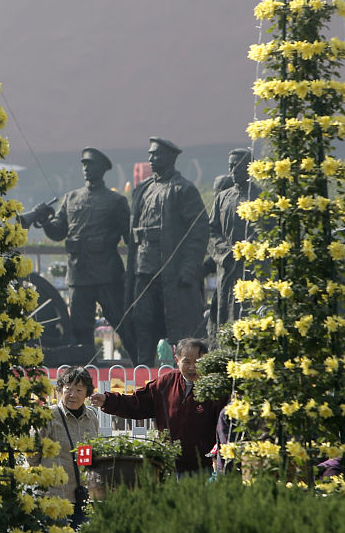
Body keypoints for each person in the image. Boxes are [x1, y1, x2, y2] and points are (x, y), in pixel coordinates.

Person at [33, 148, 131, 354]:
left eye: (91, 165)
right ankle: (84, 368)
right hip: (79, 274)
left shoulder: (116, 201)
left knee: (122, 321)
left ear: (103, 169)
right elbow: (58, 232)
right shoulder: (71, 198)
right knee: (79, 328)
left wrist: (133, 270)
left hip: (107, 274)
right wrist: (44, 221)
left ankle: (140, 364)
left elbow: (131, 239)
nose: (86, 168)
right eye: (84, 164)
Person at [126, 138, 209, 365]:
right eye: (150, 154)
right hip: (144, 269)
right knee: (142, 320)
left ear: (171, 158)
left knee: (176, 325)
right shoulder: (143, 189)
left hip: (170, 273)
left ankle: (182, 372)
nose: (151, 159)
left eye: (157, 155)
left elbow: (199, 231)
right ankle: (142, 368)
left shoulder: (183, 189)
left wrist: (190, 267)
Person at [90, 338, 225, 475]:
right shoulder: (166, 383)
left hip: (203, 467)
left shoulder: (214, 388)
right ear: (176, 360)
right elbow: (137, 403)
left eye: (198, 362)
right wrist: (108, 400)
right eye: (187, 362)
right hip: (169, 464)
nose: (192, 367)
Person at [29, 367, 99, 523]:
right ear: (59, 390)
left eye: (79, 390)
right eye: (68, 389)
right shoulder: (47, 416)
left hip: (83, 498)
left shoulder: (91, 417)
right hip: (54, 497)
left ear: (87, 394)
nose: (72, 395)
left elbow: (91, 453)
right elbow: (32, 455)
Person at [207, 149, 260, 330]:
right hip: (227, 266)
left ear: (249, 168)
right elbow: (212, 231)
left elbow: (268, 229)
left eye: (238, 166)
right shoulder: (222, 198)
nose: (233, 171)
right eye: (231, 167)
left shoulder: (261, 196)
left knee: (249, 314)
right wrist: (225, 253)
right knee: (225, 314)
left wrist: (250, 247)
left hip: (252, 269)